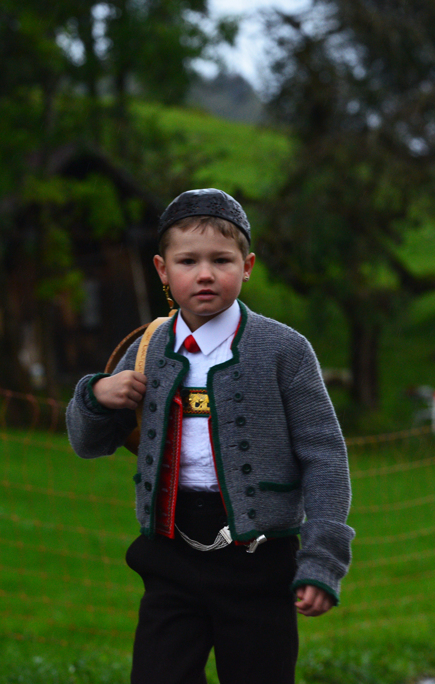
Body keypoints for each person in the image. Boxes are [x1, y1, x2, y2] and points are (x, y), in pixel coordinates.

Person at [65, 188, 353, 684]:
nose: (204, 274)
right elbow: (88, 443)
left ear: (247, 266)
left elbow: (325, 456)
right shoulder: (144, 349)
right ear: (162, 270)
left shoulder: (285, 350)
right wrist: (95, 396)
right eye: (187, 261)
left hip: (261, 564)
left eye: (221, 260)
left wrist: (322, 559)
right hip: (170, 559)